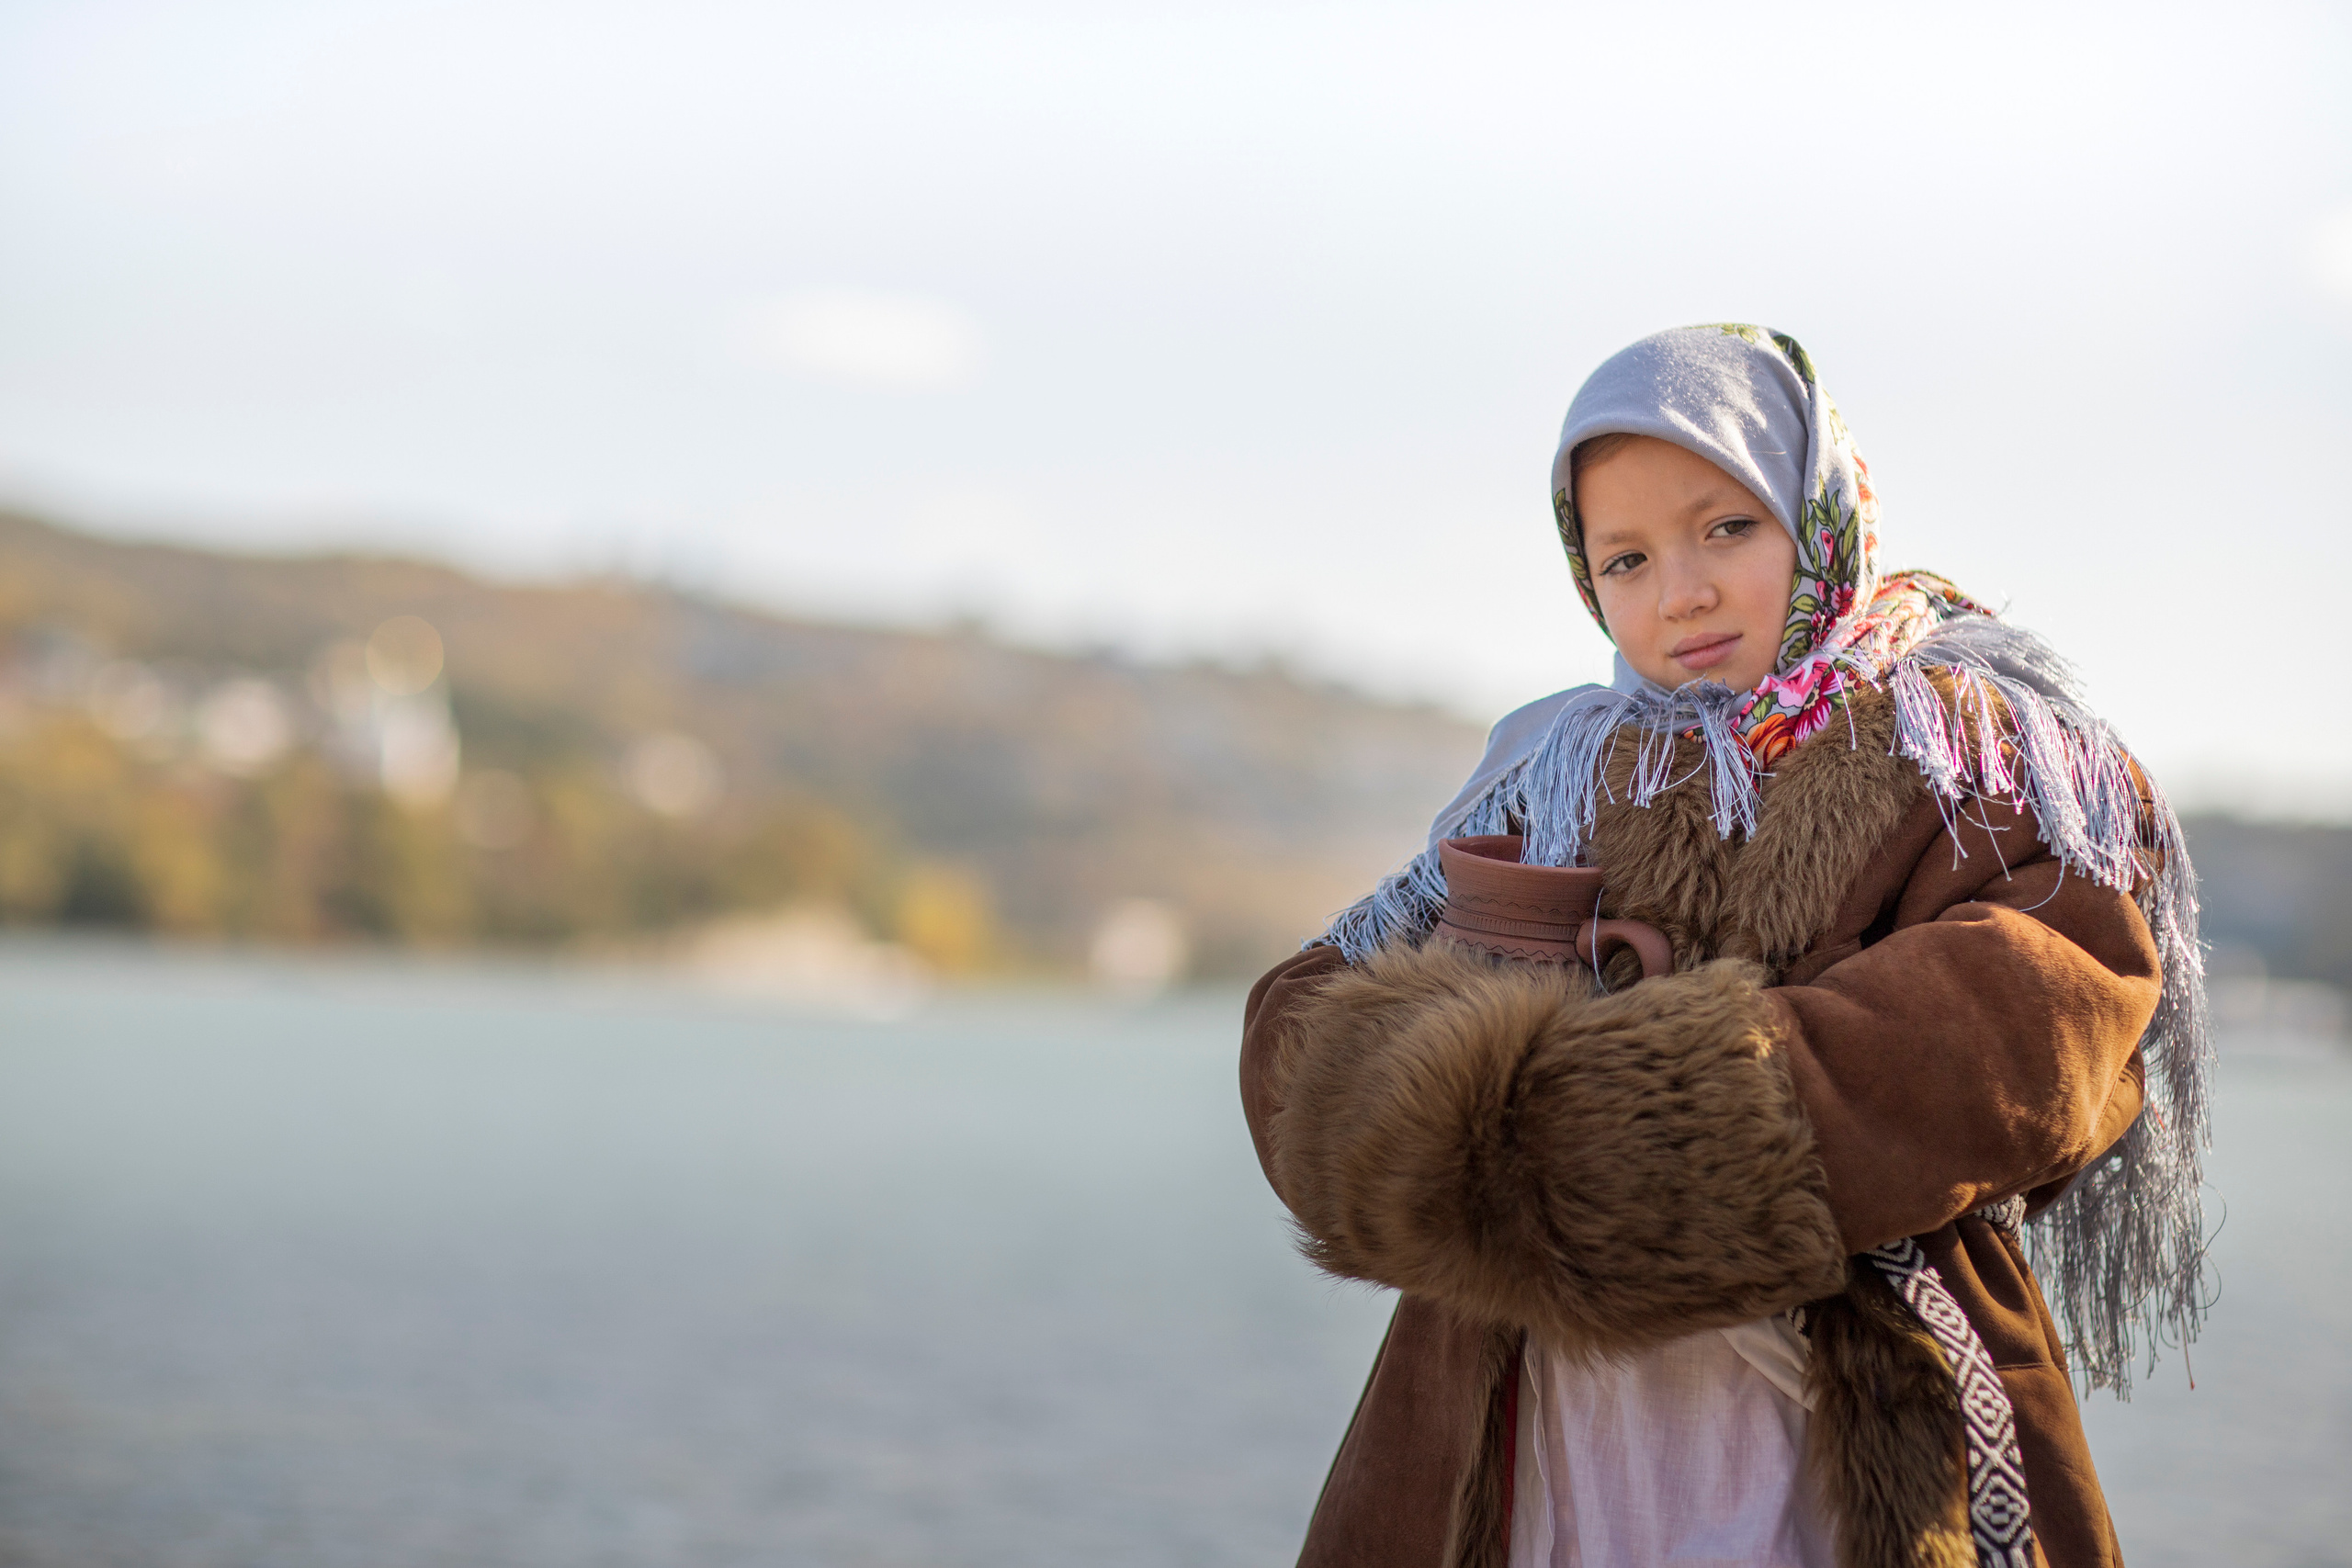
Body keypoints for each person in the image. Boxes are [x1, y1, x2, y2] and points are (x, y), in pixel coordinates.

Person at [1238, 325, 2210, 1568]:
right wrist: (1451, 1107)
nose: (1680, 592)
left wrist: (1591, 1130)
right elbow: (1302, 1023)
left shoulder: (1967, 746)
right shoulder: (1555, 765)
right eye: (1627, 557)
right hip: (1532, 1416)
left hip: (1854, 1407)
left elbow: (2038, 1019)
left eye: (1728, 529)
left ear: (1819, 513)